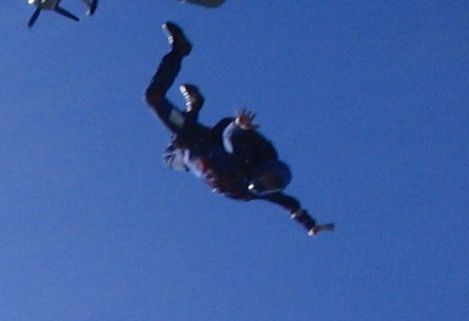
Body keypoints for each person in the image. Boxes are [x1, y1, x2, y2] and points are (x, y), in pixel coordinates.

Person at [143, 22, 334, 235]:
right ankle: (179, 50)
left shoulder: (254, 192)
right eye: (267, 181)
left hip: (187, 154)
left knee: (169, 158)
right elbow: (230, 137)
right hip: (197, 139)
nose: (263, 185)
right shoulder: (243, 159)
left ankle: (195, 106)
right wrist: (238, 125)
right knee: (153, 98)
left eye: (268, 186)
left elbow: (289, 202)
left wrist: (310, 225)